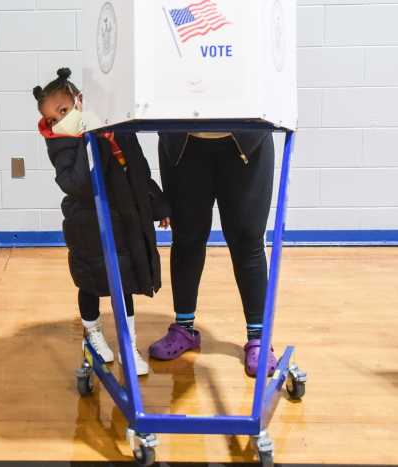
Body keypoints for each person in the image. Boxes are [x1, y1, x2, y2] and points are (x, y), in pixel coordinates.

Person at [34, 68, 171, 376]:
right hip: (88, 226)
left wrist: (157, 203)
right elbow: (77, 183)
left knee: (125, 281)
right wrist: (88, 141)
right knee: (91, 282)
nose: (59, 121)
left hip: (125, 220)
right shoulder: (62, 144)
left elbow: (138, 170)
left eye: (64, 111)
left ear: (80, 101)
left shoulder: (115, 128)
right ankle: (92, 330)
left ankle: (128, 344)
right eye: (53, 119)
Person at [149, 129, 278, 377]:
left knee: (247, 240)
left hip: (245, 140)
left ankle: (258, 337)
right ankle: (184, 327)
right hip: (184, 141)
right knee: (186, 238)